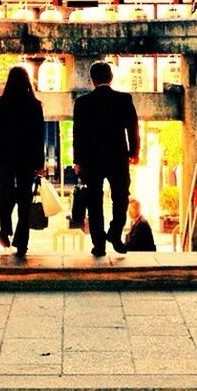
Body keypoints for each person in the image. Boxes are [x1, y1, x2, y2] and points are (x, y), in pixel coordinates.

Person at [72, 60, 140, 257]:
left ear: (92, 80)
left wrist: (78, 161)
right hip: (118, 158)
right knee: (121, 198)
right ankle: (115, 234)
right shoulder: (124, 99)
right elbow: (133, 130)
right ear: (111, 78)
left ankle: (99, 244)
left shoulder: (83, 103)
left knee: (94, 202)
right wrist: (134, 153)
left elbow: (78, 134)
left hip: (91, 160)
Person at [0, 66, 44, 258]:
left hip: (4, 156)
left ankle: (4, 230)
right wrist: (40, 163)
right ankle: (21, 242)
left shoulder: (0, 103)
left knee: (5, 193)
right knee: (24, 198)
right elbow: (38, 136)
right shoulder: (34, 104)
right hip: (27, 158)